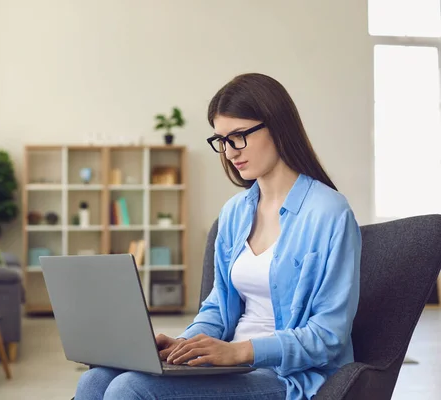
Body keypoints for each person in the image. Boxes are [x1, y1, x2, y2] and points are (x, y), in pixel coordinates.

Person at [74, 73, 362, 400]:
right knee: (95, 381)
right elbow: (217, 306)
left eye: (238, 136)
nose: (229, 152)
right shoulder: (235, 212)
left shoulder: (329, 213)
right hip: (230, 366)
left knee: (130, 389)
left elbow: (328, 336)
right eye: (221, 140)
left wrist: (240, 352)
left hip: (288, 377)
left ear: (278, 127)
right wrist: (186, 344)